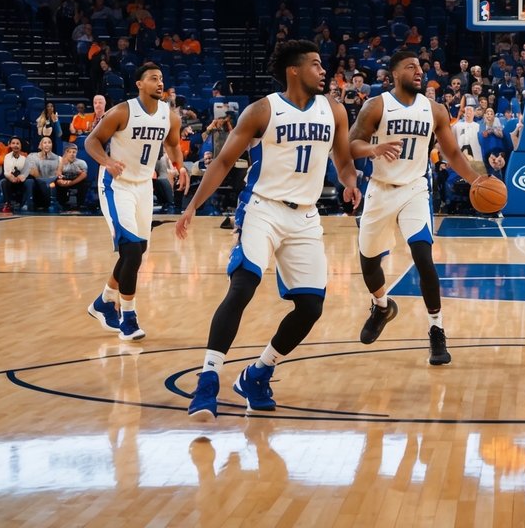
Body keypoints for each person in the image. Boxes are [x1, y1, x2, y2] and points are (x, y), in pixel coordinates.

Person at [180, 40, 361, 419]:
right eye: (315, 64)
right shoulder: (262, 110)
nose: (323, 70)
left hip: (306, 216)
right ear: (293, 70)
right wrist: (193, 205)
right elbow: (225, 160)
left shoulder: (335, 110)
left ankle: (258, 373)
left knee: (311, 307)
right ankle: (208, 379)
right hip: (263, 207)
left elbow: (343, 160)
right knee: (243, 284)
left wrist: (349, 181)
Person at [349, 50, 493, 365]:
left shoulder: (435, 109)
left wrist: (475, 180)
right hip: (381, 189)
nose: (418, 71)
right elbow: (351, 144)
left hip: (415, 189)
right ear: (394, 74)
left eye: (420, 67)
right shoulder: (377, 106)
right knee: (369, 261)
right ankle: (382, 306)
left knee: (423, 258)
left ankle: (436, 331)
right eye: (410, 67)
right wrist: (373, 148)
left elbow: (453, 153)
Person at [84, 63, 189, 341]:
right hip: (116, 185)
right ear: (139, 84)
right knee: (131, 252)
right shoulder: (122, 111)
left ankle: (104, 302)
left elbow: (173, 143)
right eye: (153, 78)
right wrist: (106, 161)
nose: (159, 83)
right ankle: (128, 317)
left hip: (143, 185)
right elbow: (91, 142)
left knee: (138, 251)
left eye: (162, 78)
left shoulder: (170, 116)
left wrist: (179, 166)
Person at [54, 144, 89, 210]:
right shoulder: (60, 162)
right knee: (56, 181)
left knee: (84, 182)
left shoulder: (81, 163)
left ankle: (80, 204)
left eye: (74, 152)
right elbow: (58, 174)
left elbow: (84, 175)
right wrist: (60, 181)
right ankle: (62, 204)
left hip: (75, 181)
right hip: (64, 180)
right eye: (69, 152)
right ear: (66, 153)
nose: (72, 154)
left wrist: (71, 183)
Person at [1, 136, 28, 211]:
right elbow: (6, 172)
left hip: (20, 181)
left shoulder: (24, 158)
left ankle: (24, 203)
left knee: (29, 182)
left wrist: (20, 178)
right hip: (11, 180)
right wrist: (11, 178)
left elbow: (25, 172)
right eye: (13, 143)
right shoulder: (7, 157)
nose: (15, 145)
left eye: (17, 143)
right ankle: (8, 203)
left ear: (20, 146)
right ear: (10, 145)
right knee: (3, 182)